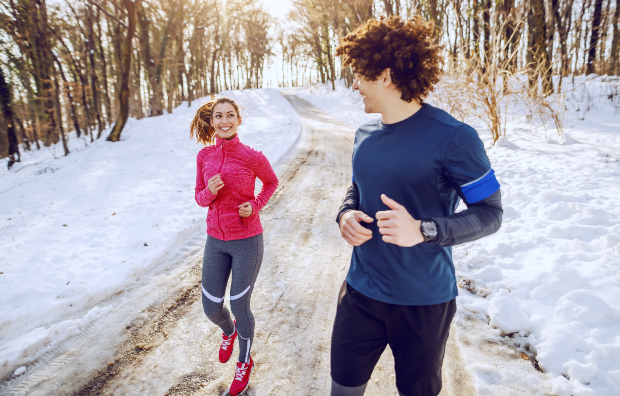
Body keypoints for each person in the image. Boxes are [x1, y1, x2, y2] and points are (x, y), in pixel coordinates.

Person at [331, 16, 503, 396]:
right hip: (360, 293)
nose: (354, 84)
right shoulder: (364, 135)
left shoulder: (456, 138)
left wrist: (424, 230)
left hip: (424, 303)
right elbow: (358, 187)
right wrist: (345, 213)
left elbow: (491, 213)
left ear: (387, 76)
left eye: (360, 74)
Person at [191, 97, 278, 395]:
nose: (224, 121)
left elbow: (271, 183)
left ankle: (244, 361)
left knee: (241, 305)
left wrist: (254, 206)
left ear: (238, 120)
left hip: (246, 241)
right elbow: (199, 196)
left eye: (230, 115)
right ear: (212, 121)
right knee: (211, 307)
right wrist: (209, 194)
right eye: (219, 116)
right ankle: (228, 332)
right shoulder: (205, 157)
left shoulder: (252, 157)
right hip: (215, 241)